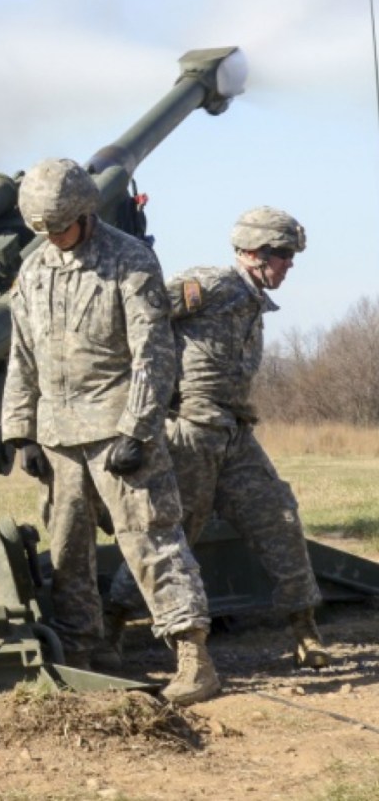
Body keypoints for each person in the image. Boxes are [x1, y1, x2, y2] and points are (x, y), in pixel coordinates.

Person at [1, 157, 219, 705]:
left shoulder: (130, 260)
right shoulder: (34, 270)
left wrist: (139, 428)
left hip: (120, 429)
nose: (53, 237)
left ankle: (194, 659)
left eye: (60, 226)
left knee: (152, 540)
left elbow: (154, 353)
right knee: (68, 550)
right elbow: (22, 355)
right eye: (43, 230)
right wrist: (21, 433)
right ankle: (84, 652)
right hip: (59, 436)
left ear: (86, 213)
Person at [106, 207, 329, 668]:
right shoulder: (211, 285)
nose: (290, 264)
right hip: (190, 433)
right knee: (170, 536)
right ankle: (112, 625)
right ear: (254, 253)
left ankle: (305, 630)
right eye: (284, 255)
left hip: (234, 436)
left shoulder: (252, 305)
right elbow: (140, 317)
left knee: (279, 518)